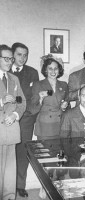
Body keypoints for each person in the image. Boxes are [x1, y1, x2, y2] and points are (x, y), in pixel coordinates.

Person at [9, 42, 39, 197]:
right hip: (7, 119)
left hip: (26, 119)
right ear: (13, 55)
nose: (23, 58)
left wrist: (29, 113)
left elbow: (34, 97)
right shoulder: (4, 71)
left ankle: (20, 185)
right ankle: (7, 185)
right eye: (19, 54)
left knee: (22, 152)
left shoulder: (32, 72)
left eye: (25, 55)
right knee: (7, 152)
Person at [0, 45, 26, 200]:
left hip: (11, 130)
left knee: (10, 169)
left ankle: (9, 197)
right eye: (6, 58)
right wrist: (1, 102)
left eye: (11, 58)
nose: (10, 62)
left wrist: (15, 115)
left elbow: (22, 102)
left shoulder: (14, 79)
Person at [30, 54, 69, 140]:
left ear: (59, 70)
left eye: (56, 68)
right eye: (50, 68)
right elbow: (32, 109)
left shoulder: (64, 85)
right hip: (45, 126)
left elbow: (67, 106)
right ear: (45, 70)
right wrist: (40, 99)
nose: (53, 71)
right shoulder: (38, 85)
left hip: (60, 125)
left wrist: (64, 107)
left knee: (60, 152)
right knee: (45, 152)